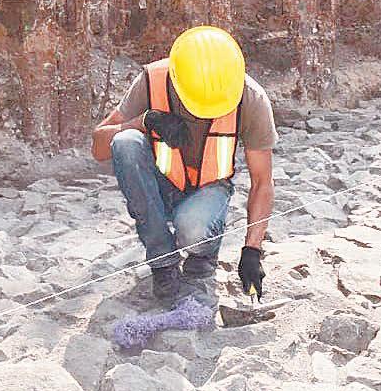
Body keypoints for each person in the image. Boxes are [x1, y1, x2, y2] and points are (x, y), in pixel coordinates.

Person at [91, 26, 278, 307]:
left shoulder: (250, 97)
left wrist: (252, 250)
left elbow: (262, 182)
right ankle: (162, 262)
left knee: (193, 230)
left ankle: (205, 251)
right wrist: (143, 121)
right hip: (160, 187)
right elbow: (99, 147)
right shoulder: (153, 80)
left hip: (209, 191)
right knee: (125, 142)